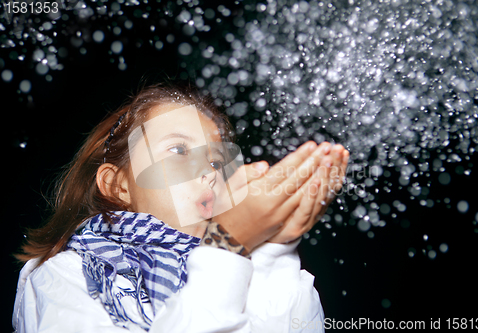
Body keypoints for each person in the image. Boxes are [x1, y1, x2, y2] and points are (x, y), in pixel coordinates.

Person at [13, 83, 350, 332]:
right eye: (178, 150)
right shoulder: (64, 275)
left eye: (217, 161)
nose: (209, 172)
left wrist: (274, 254)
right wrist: (227, 246)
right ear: (119, 185)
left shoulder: (238, 271)